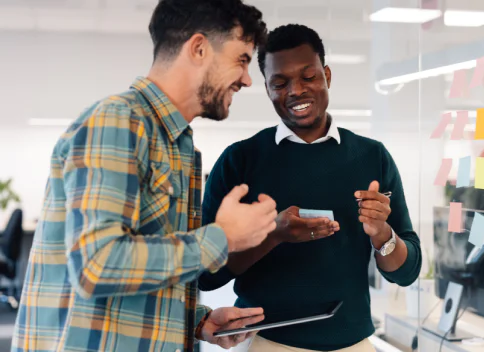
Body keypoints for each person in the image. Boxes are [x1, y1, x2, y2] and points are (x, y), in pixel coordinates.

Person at [11, 1, 276, 351]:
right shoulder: (118, 121)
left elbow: (145, 264)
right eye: (241, 59)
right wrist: (222, 238)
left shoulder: (178, 146)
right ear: (198, 48)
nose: (246, 79)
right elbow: (98, 265)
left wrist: (197, 319)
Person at [199, 24, 422, 352]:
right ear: (267, 89)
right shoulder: (240, 161)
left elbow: (406, 273)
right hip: (266, 341)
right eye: (280, 82)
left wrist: (382, 234)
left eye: (308, 77)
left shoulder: (372, 157)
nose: (296, 91)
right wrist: (273, 235)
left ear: (327, 76)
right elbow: (205, 275)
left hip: (353, 342)